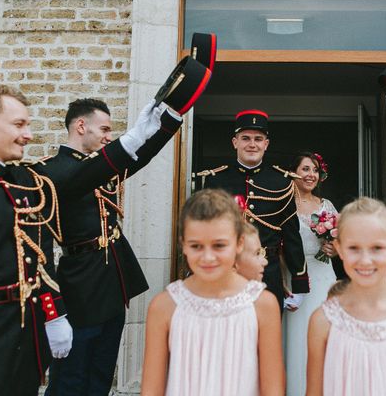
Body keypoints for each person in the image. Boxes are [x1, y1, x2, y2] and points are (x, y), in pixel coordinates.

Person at [0, 85, 164, 396]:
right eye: (19, 125)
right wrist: (56, 312)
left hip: (21, 328)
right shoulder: (18, 177)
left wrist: (147, 131)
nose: (28, 135)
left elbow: (38, 255)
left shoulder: (20, 179)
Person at [44, 98, 183, 395]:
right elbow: (83, 177)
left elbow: (136, 158)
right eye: (104, 129)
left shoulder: (99, 166)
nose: (109, 136)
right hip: (80, 285)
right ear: (81, 126)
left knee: (101, 373)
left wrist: (166, 123)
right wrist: (131, 136)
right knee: (71, 376)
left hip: (111, 280)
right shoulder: (53, 169)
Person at [140, 189, 284, 396]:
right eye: (196, 246)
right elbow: (152, 390)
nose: (207, 257)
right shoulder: (164, 306)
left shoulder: (262, 304)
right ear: (183, 245)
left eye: (219, 245)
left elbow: (272, 389)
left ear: (239, 243)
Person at [306, 197, 386, 396]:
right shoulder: (323, 321)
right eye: (354, 248)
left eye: (377, 248)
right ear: (339, 249)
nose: (365, 260)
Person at [199, 110, 309, 310]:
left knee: (266, 336)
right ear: (235, 142)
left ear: (266, 144)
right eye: (246, 138)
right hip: (226, 271)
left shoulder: (281, 182)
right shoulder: (216, 180)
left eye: (258, 139)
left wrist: (299, 281)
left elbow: (291, 234)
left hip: (268, 272)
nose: (252, 144)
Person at [284, 151, 338, 396]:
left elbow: (343, 242)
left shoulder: (326, 205)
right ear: (294, 172)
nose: (311, 175)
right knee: (297, 338)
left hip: (324, 275)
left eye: (315, 170)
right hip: (294, 276)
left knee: (326, 335)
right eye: (305, 169)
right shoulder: (283, 203)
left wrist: (333, 248)